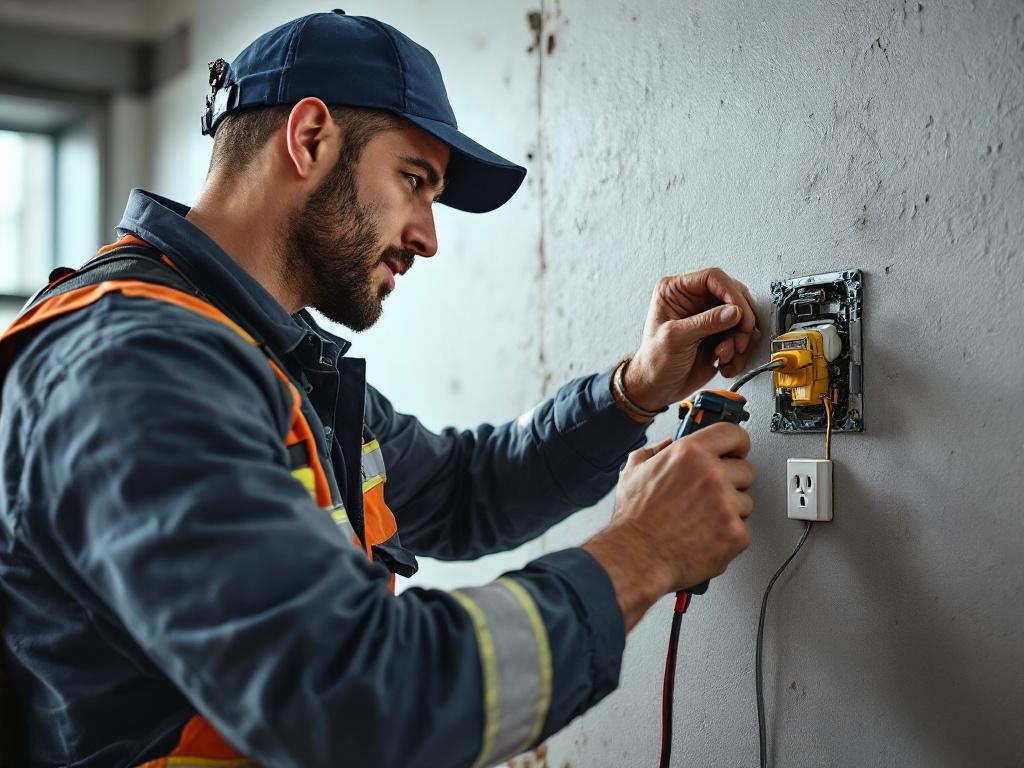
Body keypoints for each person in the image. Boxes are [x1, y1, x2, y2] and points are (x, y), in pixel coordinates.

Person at [0, 11, 760, 768]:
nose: (429, 235)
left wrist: (634, 389)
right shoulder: (141, 369)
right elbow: (356, 699)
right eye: (414, 181)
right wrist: (645, 551)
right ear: (309, 139)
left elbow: (468, 490)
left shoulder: (270, 361)